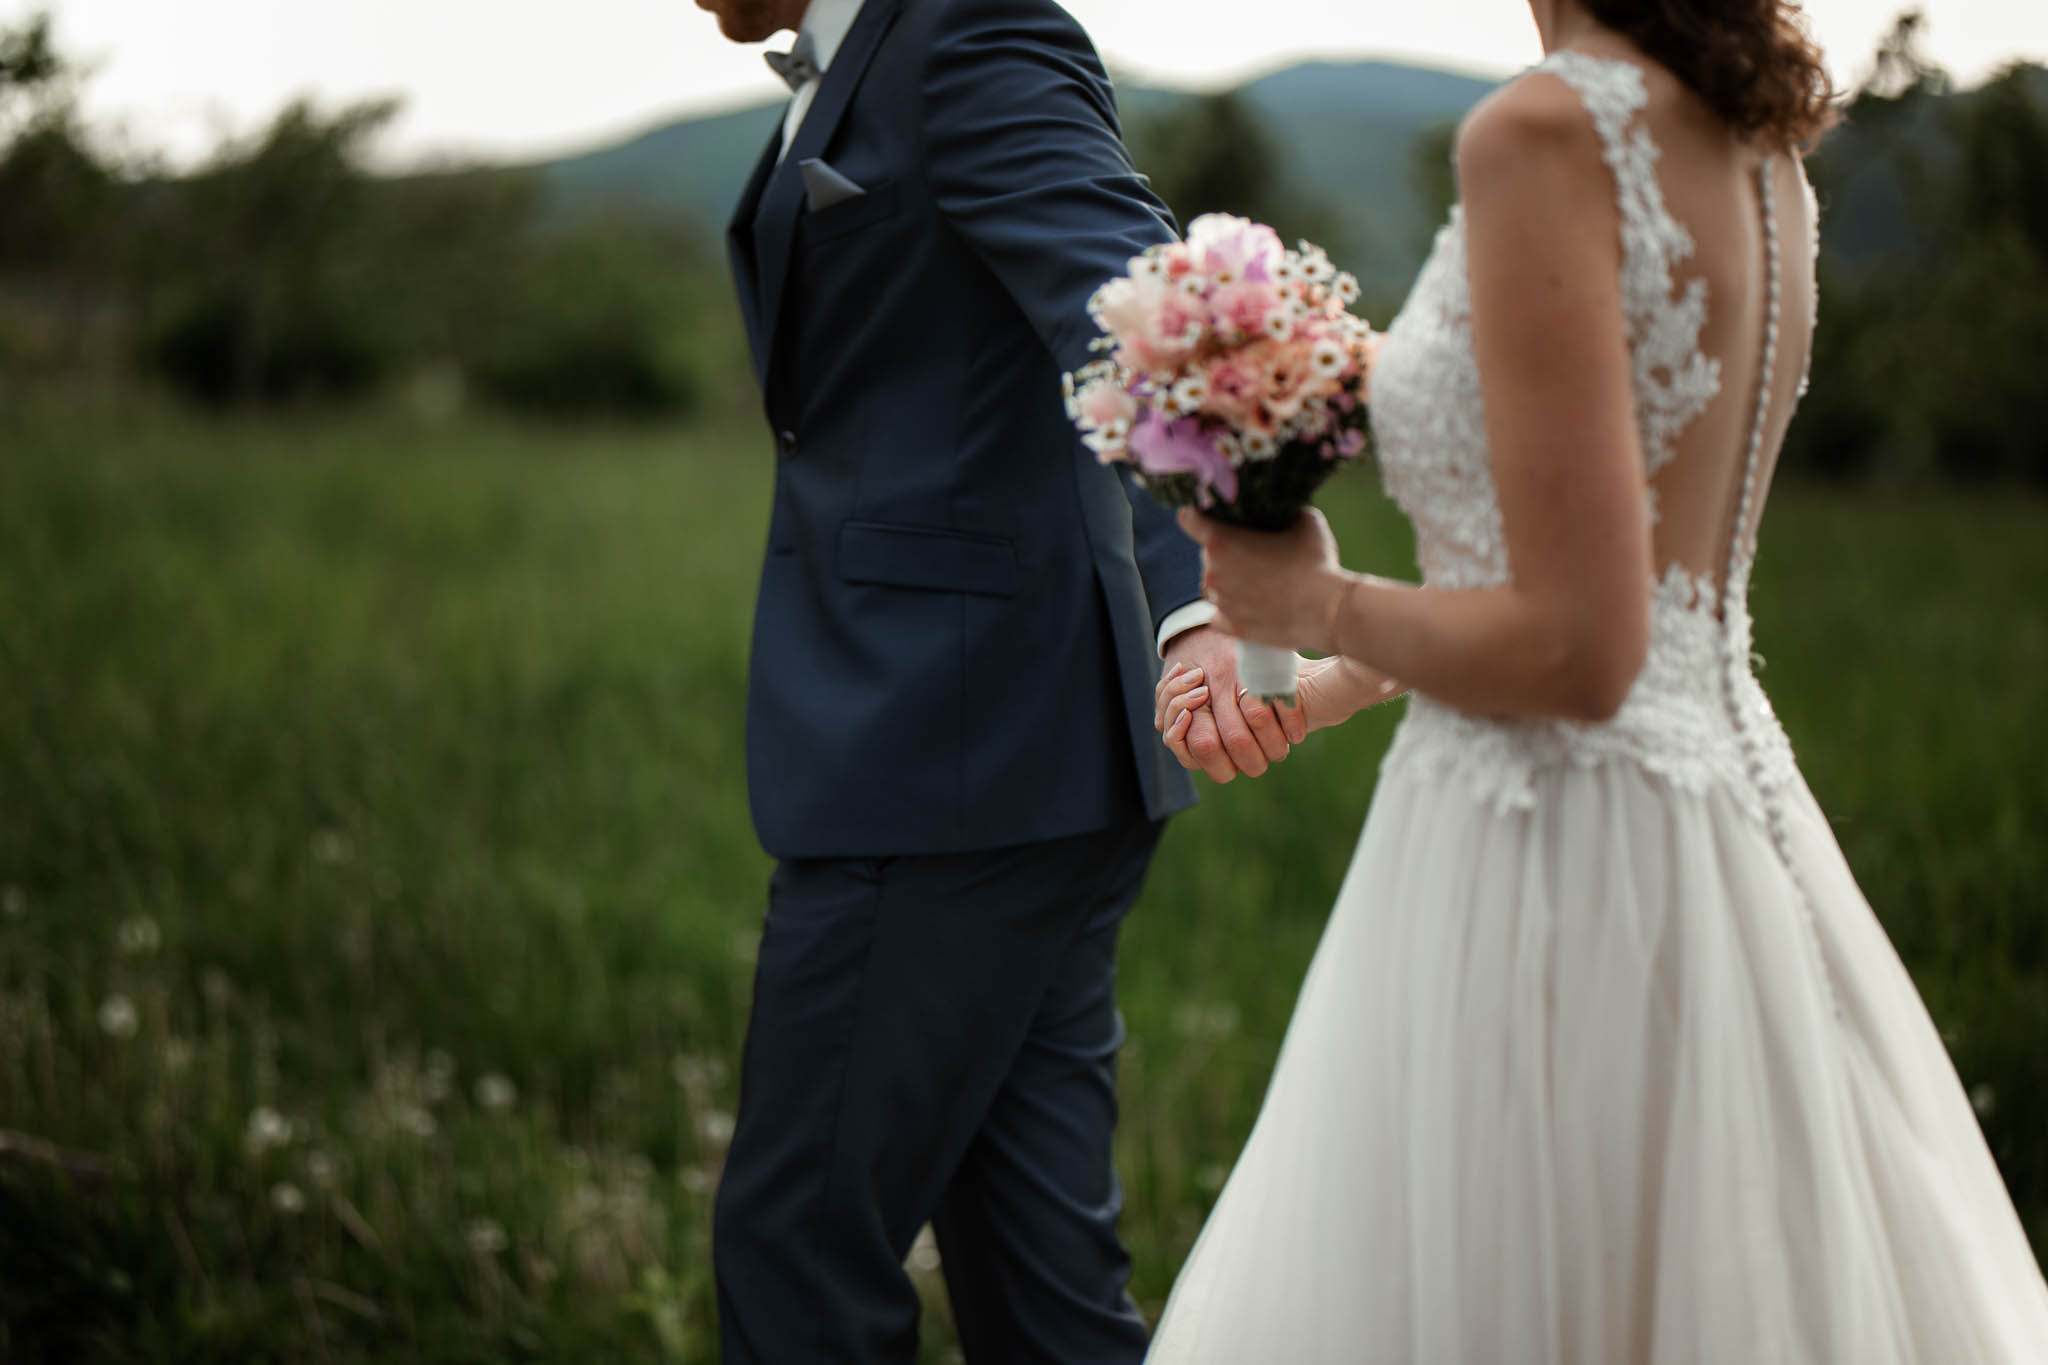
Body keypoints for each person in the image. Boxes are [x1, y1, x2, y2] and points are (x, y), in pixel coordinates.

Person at [1146, 1, 2048, 1359]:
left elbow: (1580, 648)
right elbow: (1613, 579)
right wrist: (1329, 681)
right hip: (1724, 831)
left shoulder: (1544, 131)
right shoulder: (1761, 152)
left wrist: (1313, 599)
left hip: (1551, 864)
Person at [691, 0, 1300, 1358]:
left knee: (799, 1257)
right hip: (1030, 757)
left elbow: (1131, 303)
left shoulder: (966, 30)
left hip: (944, 751)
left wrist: (1210, 595)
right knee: (1043, 1292)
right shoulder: (863, 59)